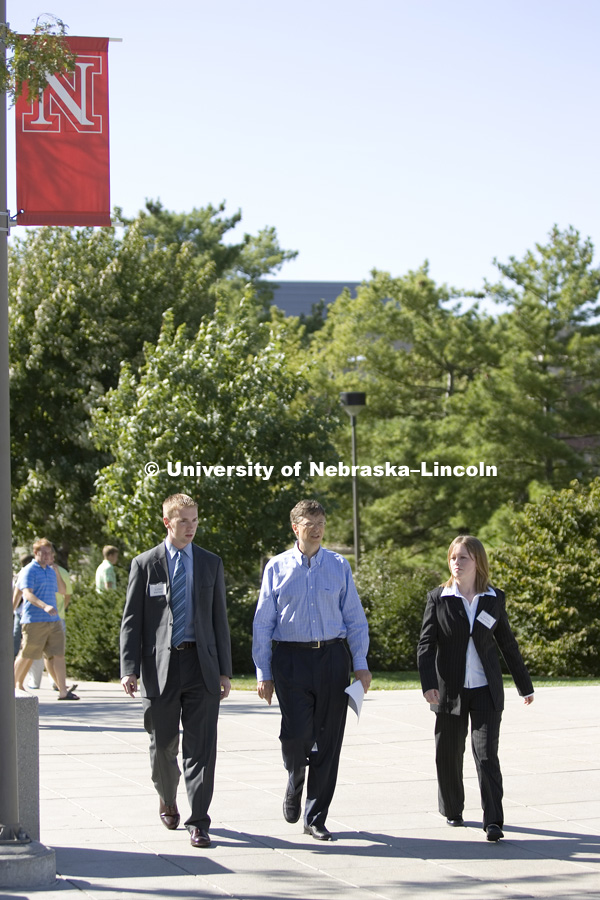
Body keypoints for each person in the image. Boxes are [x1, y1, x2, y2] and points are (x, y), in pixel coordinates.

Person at [253, 499, 371, 841]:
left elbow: (354, 618)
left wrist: (360, 664)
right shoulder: (276, 567)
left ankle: (315, 817)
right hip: (290, 660)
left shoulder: (338, 565)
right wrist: (264, 672)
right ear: (295, 527)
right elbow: (263, 623)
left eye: (320, 522)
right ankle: (294, 775)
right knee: (297, 735)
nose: (317, 529)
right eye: (310, 523)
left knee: (328, 741)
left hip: (333, 658)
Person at [120, 493, 232, 849]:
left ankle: (199, 821)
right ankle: (167, 798)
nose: (191, 527)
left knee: (202, 749)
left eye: (195, 520)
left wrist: (225, 671)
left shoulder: (211, 563)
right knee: (163, 745)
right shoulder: (145, 563)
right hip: (160, 669)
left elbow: (220, 621)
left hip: (202, 666)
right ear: (167, 522)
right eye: (183, 521)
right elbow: (132, 622)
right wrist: (129, 668)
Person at [417, 534, 534, 842]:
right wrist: (428, 685)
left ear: (477, 562)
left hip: (486, 689)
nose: (457, 563)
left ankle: (493, 820)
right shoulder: (438, 598)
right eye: (453, 557)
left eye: (463, 558)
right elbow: (426, 645)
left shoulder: (494, 599)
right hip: (449, 691)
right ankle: (453, 808)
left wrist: (524, 686)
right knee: (448, 754)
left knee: (485, 755)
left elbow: (507, 644)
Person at [13, 538, 80, 700]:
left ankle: (63, 691)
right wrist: (44, 606)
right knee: (28, 654)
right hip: (34, 620)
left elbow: (63, 590)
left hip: (54, 620)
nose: (46, 556)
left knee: (58, 654)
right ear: (35, 553)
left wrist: (56, 572)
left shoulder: (50, 571)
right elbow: (27, 594)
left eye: (49, 553)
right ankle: (13, 685)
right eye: (43, 552)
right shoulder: (29, 570)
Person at [13, 553, 33, 658]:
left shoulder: (28, 573)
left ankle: (17, 657)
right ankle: (13, 656)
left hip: (24, 611)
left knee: (21, 637)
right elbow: (17, 593)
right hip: (20, 611)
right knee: (16, 636)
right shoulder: (22, 574)